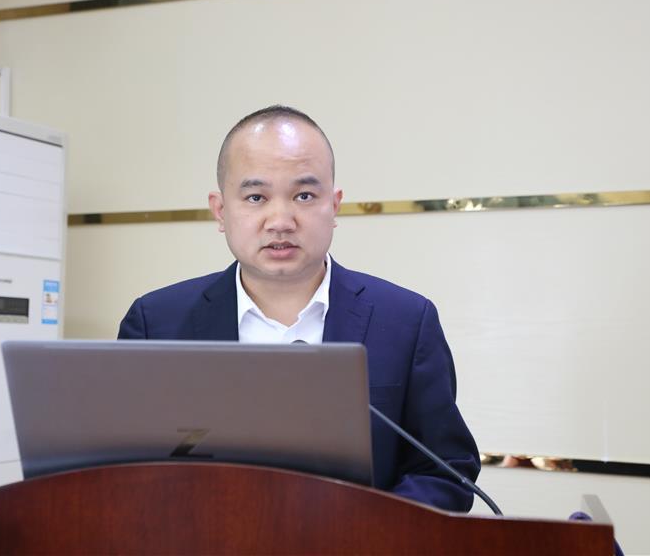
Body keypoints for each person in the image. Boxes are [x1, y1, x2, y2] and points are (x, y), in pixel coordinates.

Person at [118, 105, 480, 512]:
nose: (281, 220)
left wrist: (366, 531)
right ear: (220, 210)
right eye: (256, 197)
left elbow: (446, 473)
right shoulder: (156, 324)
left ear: (334, 205)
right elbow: (123, 475)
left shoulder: (406, 321)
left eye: (304, 196)